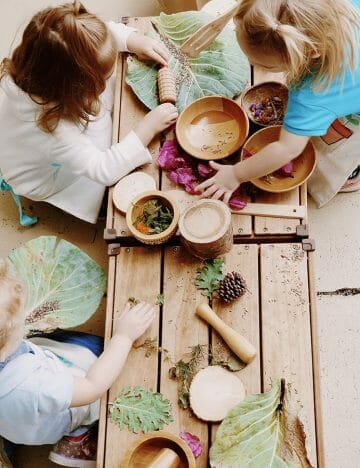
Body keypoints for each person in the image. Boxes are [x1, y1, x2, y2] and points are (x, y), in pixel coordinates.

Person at [0, 1, 178, 224]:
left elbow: (96, 34)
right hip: (43, 179)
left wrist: (132, 40)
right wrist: (146, 128)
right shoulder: (55, 132)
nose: (104, 84)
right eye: (100, 81)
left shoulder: (44, 57)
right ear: (72, 92)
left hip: (27, 149)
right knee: (103, 161)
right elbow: (103, 169)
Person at [197, 0, 360, 207]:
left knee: (342, 143)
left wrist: (236, 174)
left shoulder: (311, 96)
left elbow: (287, 149)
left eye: (266, 65)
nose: (255, 66)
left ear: (307, 54)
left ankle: (351, 176)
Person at [0, 259, 155, 467]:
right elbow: (93, 387)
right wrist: (123, 336)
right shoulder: (34, 386)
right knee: (102, 354)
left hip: (13, 419)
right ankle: (77, 438)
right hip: (53, 413)